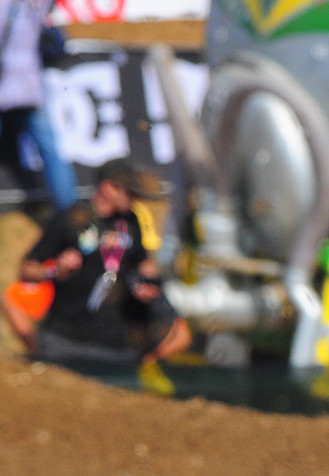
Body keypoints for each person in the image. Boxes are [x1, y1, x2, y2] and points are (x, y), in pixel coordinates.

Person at [17, 160, 189, 374]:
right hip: (65, 342)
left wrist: (145, 286)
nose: (134, 200)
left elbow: (141, 266)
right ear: (108, 187)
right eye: (129, 193)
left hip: (116, 349)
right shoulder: (72, 218)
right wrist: (54, 269)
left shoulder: (131, 222)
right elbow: (26, 270)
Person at [0, 0, 75, 211]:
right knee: (51, 152)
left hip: (7, 82)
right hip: (31, 85)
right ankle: (70, 217)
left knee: (50, 151)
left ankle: (68, 216)